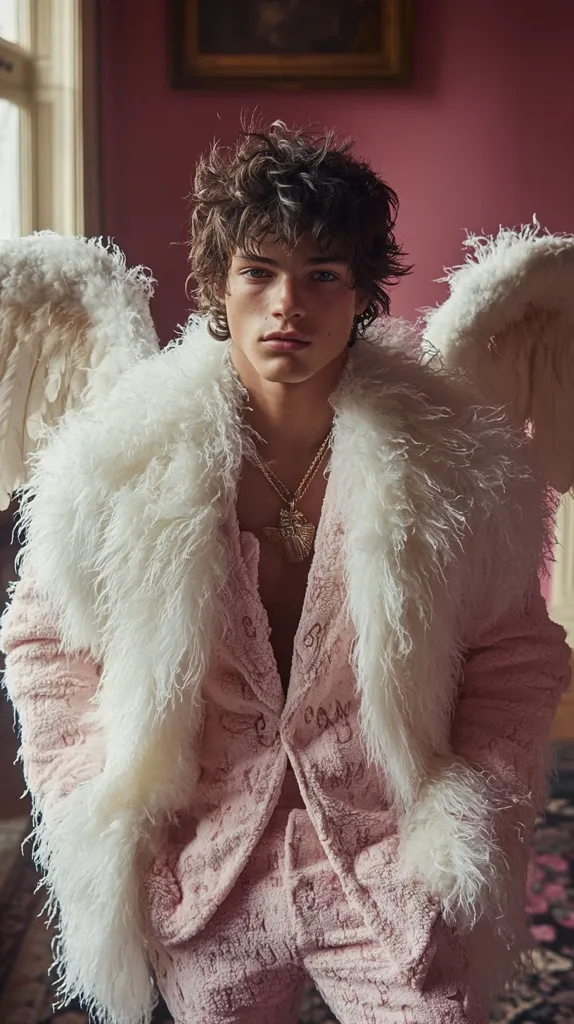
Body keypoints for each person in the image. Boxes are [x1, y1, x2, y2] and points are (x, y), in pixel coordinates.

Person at [1, 121, 571, 1024]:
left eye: (323, 276)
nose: (288, 306)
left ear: (364, 293)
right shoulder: (118, 461)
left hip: (388, 864)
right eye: (259, 272)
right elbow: (43, 642)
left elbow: (516, 652)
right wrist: (93, 805)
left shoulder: (456, 465)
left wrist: (467, 813)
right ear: (218, 287)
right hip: (203, 868)